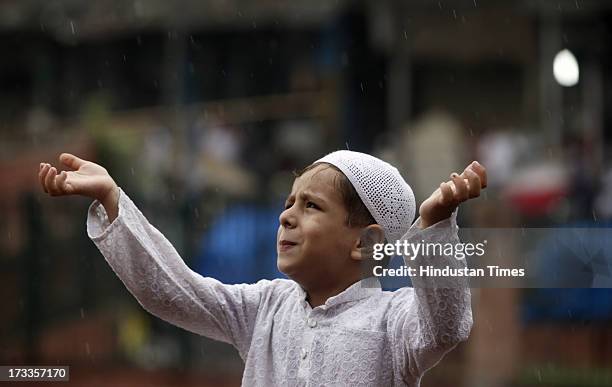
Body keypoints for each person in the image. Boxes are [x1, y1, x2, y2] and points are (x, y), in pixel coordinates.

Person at [39, 150, 487, 386]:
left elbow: (446, 326)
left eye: (311, 206)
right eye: (288, 203)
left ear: (366, 243)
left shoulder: (393, 321)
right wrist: (113, 200)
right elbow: (171, 292)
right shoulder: (264, 309)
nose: (286, 216)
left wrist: (435, 227)